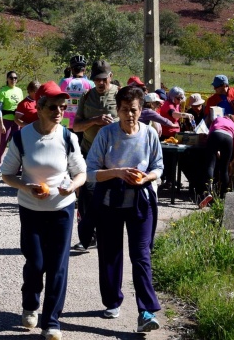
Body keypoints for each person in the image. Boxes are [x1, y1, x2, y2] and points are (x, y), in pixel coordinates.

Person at [0, 81, 87, 340]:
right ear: (39, 107)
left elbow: (81, 172)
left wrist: (71, 186)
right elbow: (7, 174)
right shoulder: (22, 137)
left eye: (63, 106)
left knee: (58, 266)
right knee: (36, 262)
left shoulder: (67, 137)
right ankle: (30, 304)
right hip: (31, 209)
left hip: (62, 208)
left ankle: (52, 321)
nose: (59, 111)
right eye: (52, 107)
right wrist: (27, 187)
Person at [85, 85, 163, 333]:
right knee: (110, 254)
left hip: (141, 201)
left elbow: (158, 166)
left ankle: (146, 311)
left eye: (134, 110)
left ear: (141, 110)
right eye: (124, 110)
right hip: (110, 202)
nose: (129, 115)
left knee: (141, 255)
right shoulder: (106, 134)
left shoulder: (150, 134)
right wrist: (118, 172)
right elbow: (89, 172)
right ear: (117, 110)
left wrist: (147, 178)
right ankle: (112, 300)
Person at [71, 60, 119, 252]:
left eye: (103, 79)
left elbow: (130, 121)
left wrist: (113, 122)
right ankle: (88, 237)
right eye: (96, 80)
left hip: (112, 155)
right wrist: (95, 120)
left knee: (110, 197)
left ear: (110, 77)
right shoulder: (86, 96)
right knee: (86, 195)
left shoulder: (120, 94)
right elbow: (76, 126)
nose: (100, 83)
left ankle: (107, 235)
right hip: (89, 152)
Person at [198, 114, 234, 207]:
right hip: (228, 139)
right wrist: (233, 161)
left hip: (215, 135)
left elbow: (210, 132)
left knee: (210, 165)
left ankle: (208, 192)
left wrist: (214, 148)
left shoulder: (218, 119)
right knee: (224, 169)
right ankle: (222, 196)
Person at [0, 70, 24, 175]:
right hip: (6, 120)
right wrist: (1, 124)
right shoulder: (3, 91)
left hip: (16, 121)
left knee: (16, 145)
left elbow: (21, 107)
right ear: (7, 79)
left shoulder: (19, 91)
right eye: (11, 78)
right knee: (3, 144)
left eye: (15, 78)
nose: (13, 80)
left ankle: (16, 168)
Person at [58, 55, 93, 134]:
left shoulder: (63, 82)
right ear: (84, 69)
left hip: (65, 122)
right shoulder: (90, 84)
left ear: (71, 69)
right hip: (82, 122)